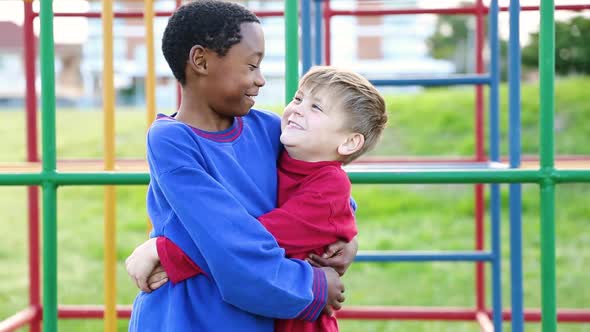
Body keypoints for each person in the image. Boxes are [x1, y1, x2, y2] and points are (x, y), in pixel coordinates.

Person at [126, 1, 357, 331]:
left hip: (254, 316)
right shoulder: (172, 141)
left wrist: (347, 238)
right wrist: (312, 286)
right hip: (188, 315)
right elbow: (228, 240)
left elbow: (322, 188)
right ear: (201, 61)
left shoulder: (266, 128)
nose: (261, 80)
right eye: (252, 66)